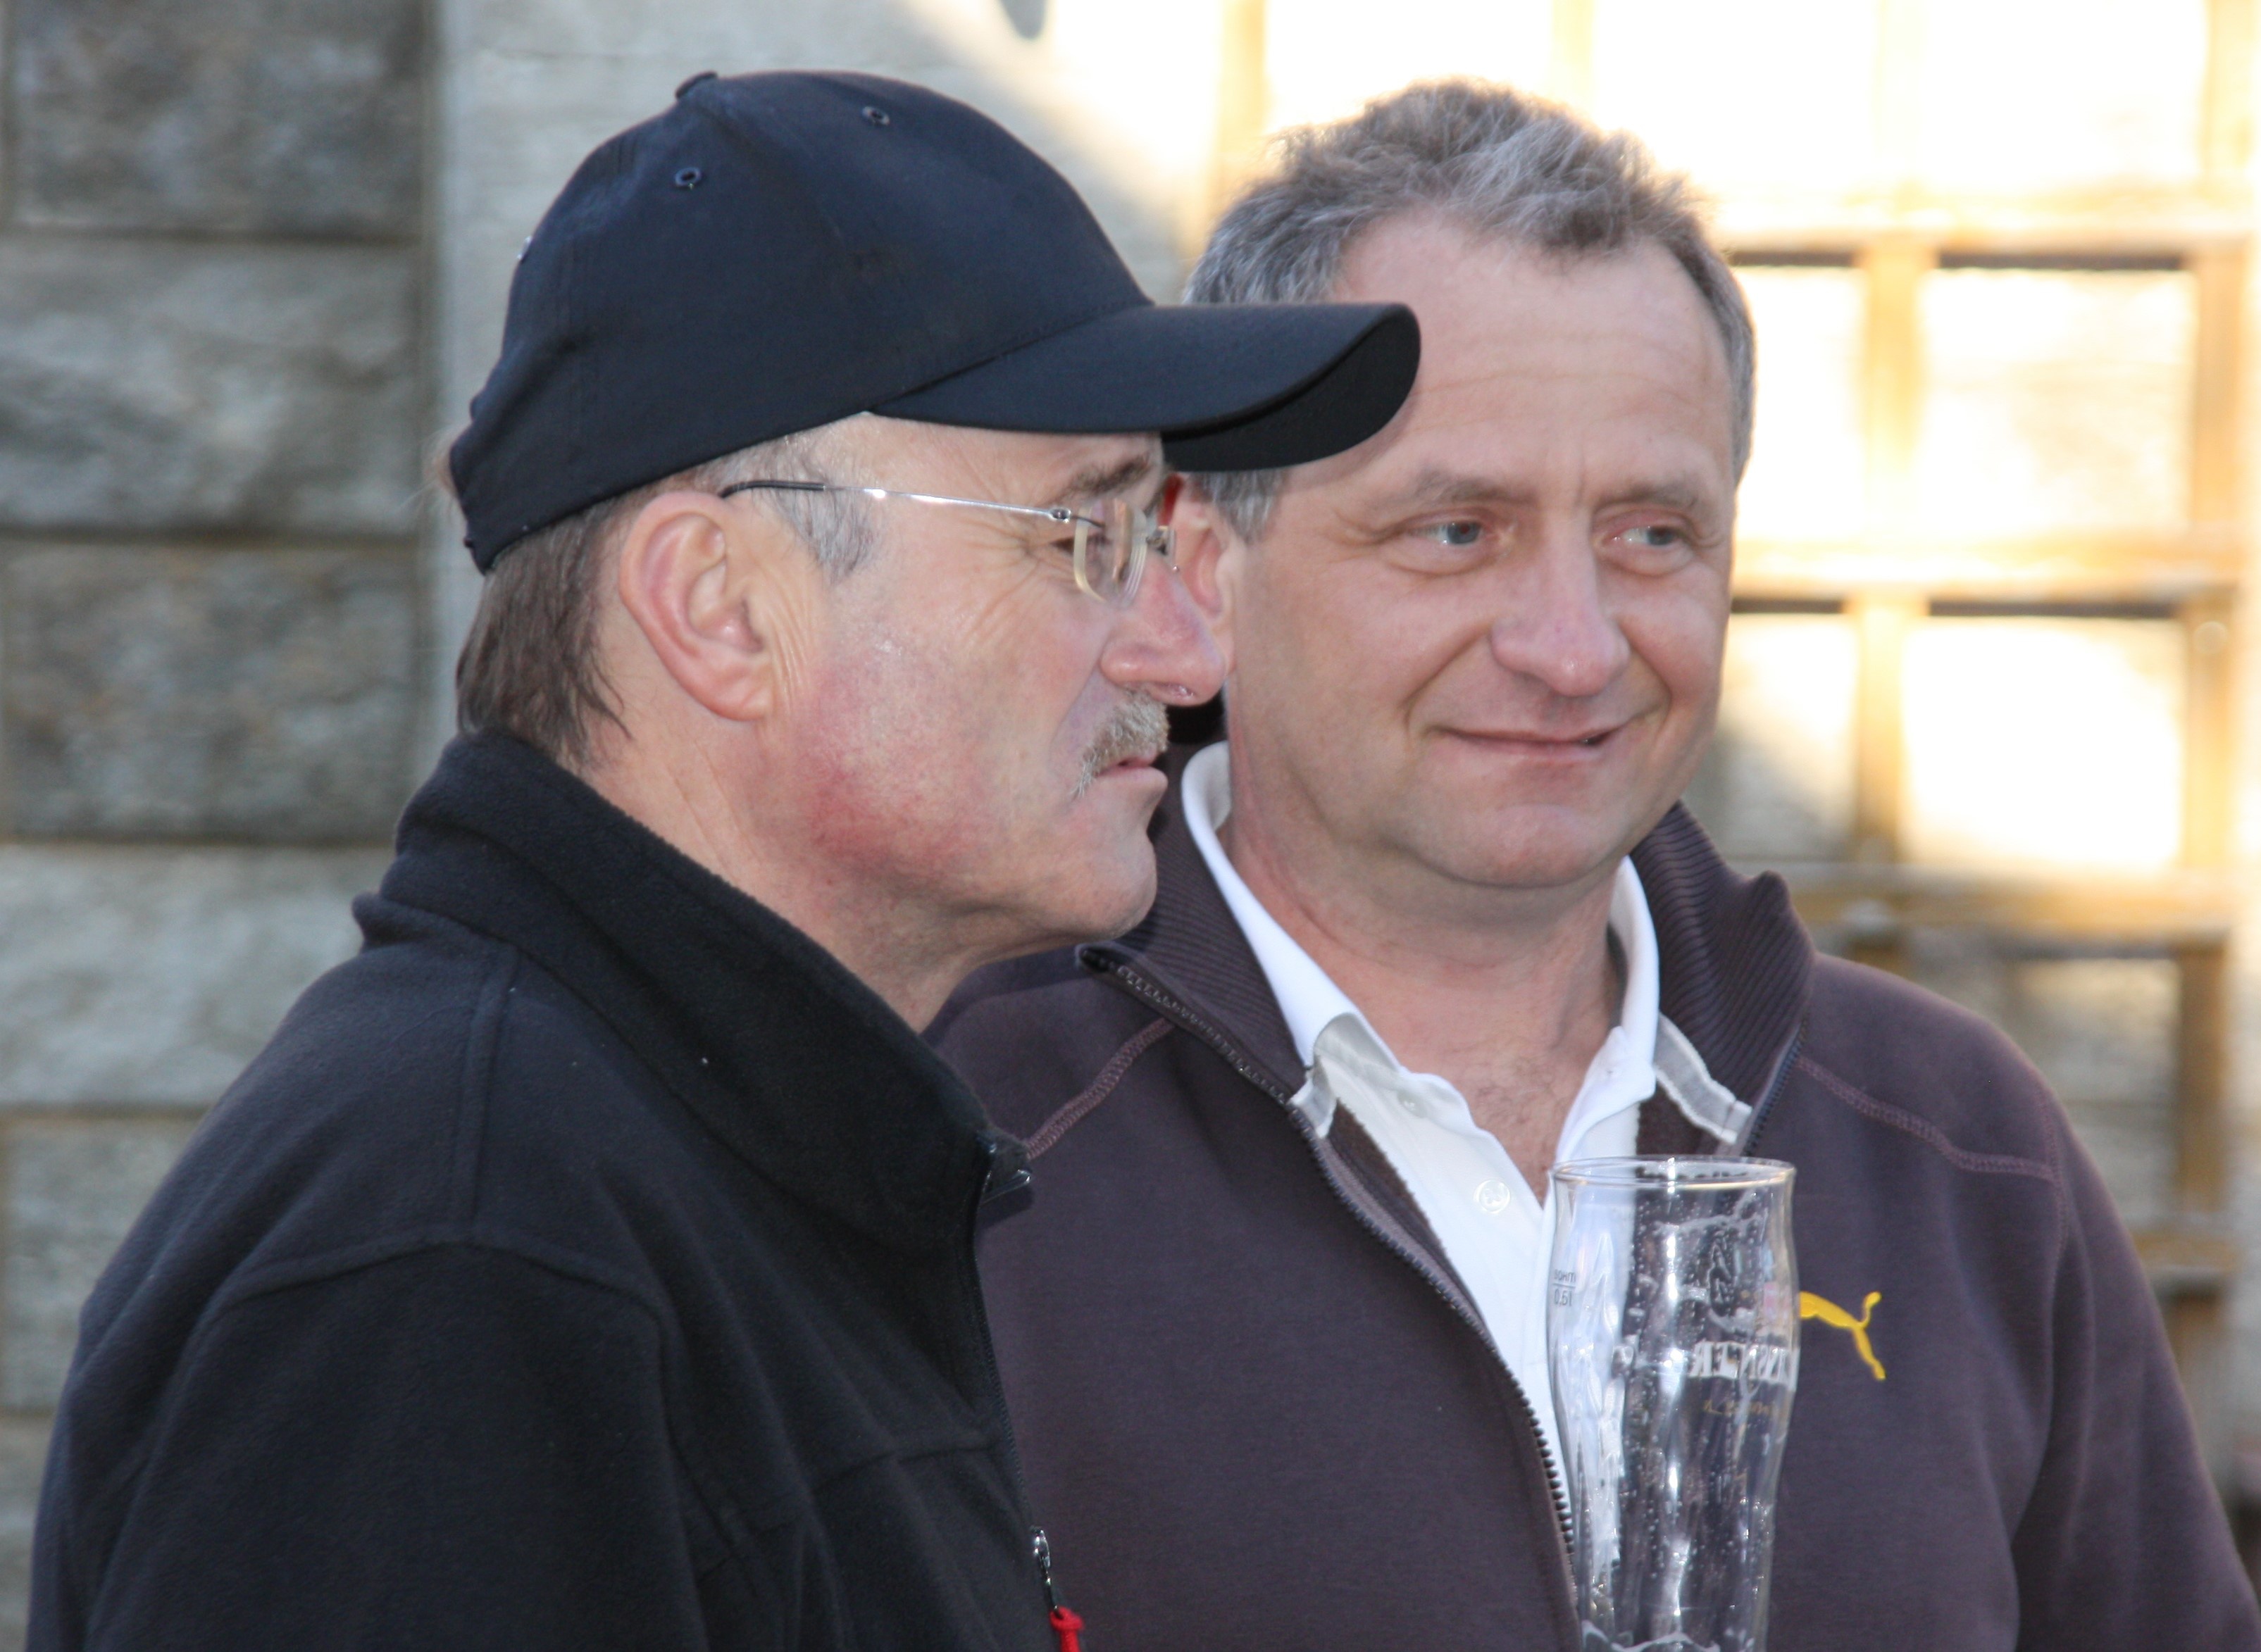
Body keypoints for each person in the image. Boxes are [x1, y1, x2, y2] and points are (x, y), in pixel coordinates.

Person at [27, 70, 1416, 1651]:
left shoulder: (700, 1167)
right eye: (1084, 537)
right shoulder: (465, 1262)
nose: (1185, 650)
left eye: (1154, 534)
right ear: (719, 606)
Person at [935, 80, 2261, 1652]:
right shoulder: (959, 1148)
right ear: (1202, 563)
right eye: (1455, 531)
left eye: (1651, 535)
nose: (1572, 648)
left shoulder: (1957, 1155)